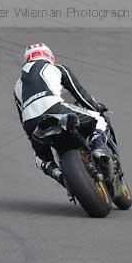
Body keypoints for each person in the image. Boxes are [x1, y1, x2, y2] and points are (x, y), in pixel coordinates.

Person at [14, 42, 110, 186]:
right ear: (49, 56)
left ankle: (57, 173)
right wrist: (96, 107)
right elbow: (80, 94)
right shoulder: (56, 68)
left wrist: (34, 140)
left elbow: (22, 118)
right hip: (53, 108)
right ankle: (98, 149)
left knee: (40, 158)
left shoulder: (17, 85)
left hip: (31, 122)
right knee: (98, 118)